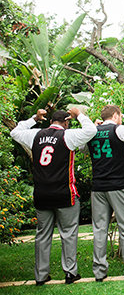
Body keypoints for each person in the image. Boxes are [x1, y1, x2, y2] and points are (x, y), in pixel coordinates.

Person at [10, 107, 96, 285]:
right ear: (65, 123)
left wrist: (34, 118)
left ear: (50, 122)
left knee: (42, 235)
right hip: (65, 193)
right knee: (68, 234)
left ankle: (41, 276)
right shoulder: (68, 135)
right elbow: (91, 130)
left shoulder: (35, 135)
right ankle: (70, 273)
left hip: (42, 194)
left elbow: (15, 132)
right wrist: (79, 114)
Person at [80, 105, 124, 282]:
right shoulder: (119, 130)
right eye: (121, 115)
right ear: (116, 115)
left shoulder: (93, 131)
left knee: (99, 229)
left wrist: (92, 129)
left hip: (98, 186)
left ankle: (99, 272)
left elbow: (81, 148)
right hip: (118, 185)